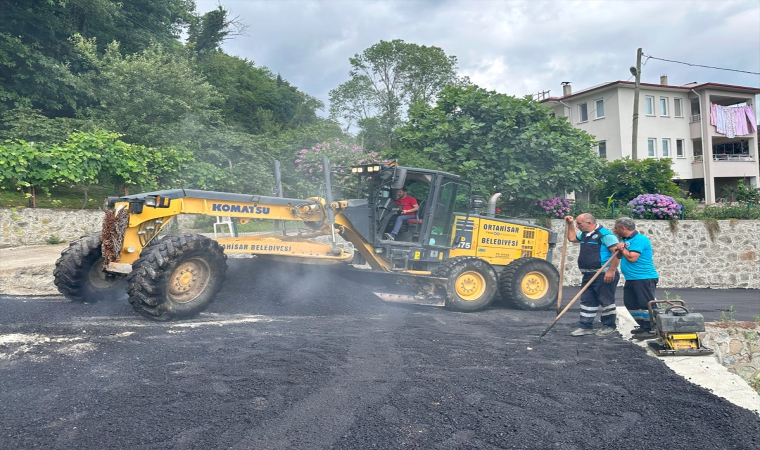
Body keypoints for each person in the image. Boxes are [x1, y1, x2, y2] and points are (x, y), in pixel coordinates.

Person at [564, 213, 621, 337]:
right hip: (588, 274)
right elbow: (572, 238)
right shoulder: (584, 234)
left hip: (603, 274)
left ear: (589, 223)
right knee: (587, 300)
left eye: (579, 223)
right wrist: (569, 224)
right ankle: (585, 326)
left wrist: (611, 270)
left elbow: (617, 254)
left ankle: (609, 326)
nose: (577, 225)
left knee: (606, 301)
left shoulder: (605, 235)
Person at [612, 217, 659, 336]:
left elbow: (632, 257)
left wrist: (623, 249)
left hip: (644, 277)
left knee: (645, 303)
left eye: (616, 228)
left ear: (623, 228)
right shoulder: (625, 240)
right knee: (630, 303)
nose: (615, 230)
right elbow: (618, 257)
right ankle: (643, 326)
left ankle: (651, 328)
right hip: (632, 278)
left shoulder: (640, 239)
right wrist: (618, 249)